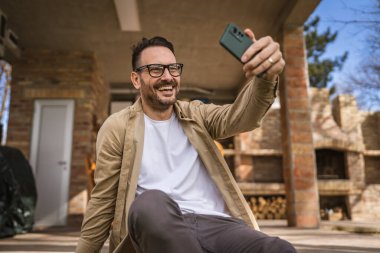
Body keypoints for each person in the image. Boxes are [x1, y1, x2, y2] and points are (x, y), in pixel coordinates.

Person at [76, 28, 296, 253]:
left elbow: (242, 118)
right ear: (136, 79)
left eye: (173, 68)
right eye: (155, 69)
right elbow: (102, 203)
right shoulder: (117, 127)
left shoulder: (197, 114)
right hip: (159, 226)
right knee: (150, 203)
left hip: (217, 226)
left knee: (279, 249)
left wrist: (265, 77)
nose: (168, 77)